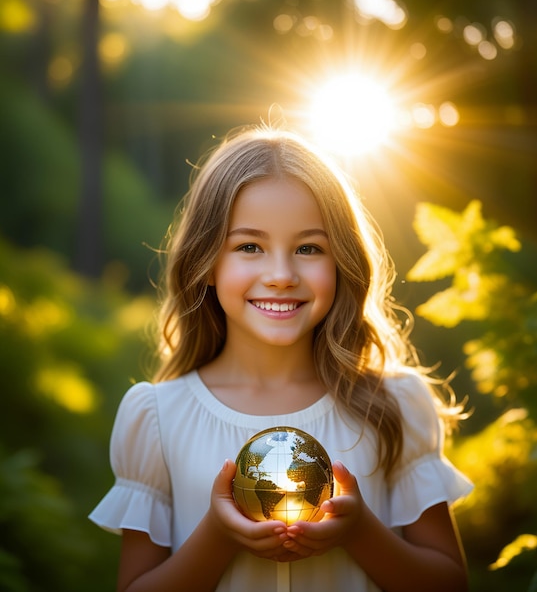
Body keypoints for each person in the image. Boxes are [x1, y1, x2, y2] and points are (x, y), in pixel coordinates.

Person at [89, 126, 473, 592]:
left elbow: (449, 582)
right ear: (207, 263)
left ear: (341, 263)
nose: (280, 275)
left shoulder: (395, 404)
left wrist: (360, 532)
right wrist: (218, 533)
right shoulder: (156, 418)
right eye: (249, 247)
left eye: (308, 248)